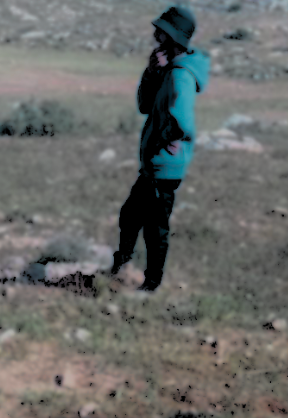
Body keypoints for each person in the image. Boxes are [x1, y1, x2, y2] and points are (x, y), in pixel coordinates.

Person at [109, 5, 209, 292]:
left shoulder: (180, 75)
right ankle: (121, 267)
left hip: (165, 163)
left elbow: (182, 119)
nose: (154, 36)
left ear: (172, 37)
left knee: (155, 227)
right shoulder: (169, 70)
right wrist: (152, 73)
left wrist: (170, 141)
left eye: (160, 32)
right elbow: (144, 105)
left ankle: (151, 284)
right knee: (131, 216)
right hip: (156, 161)